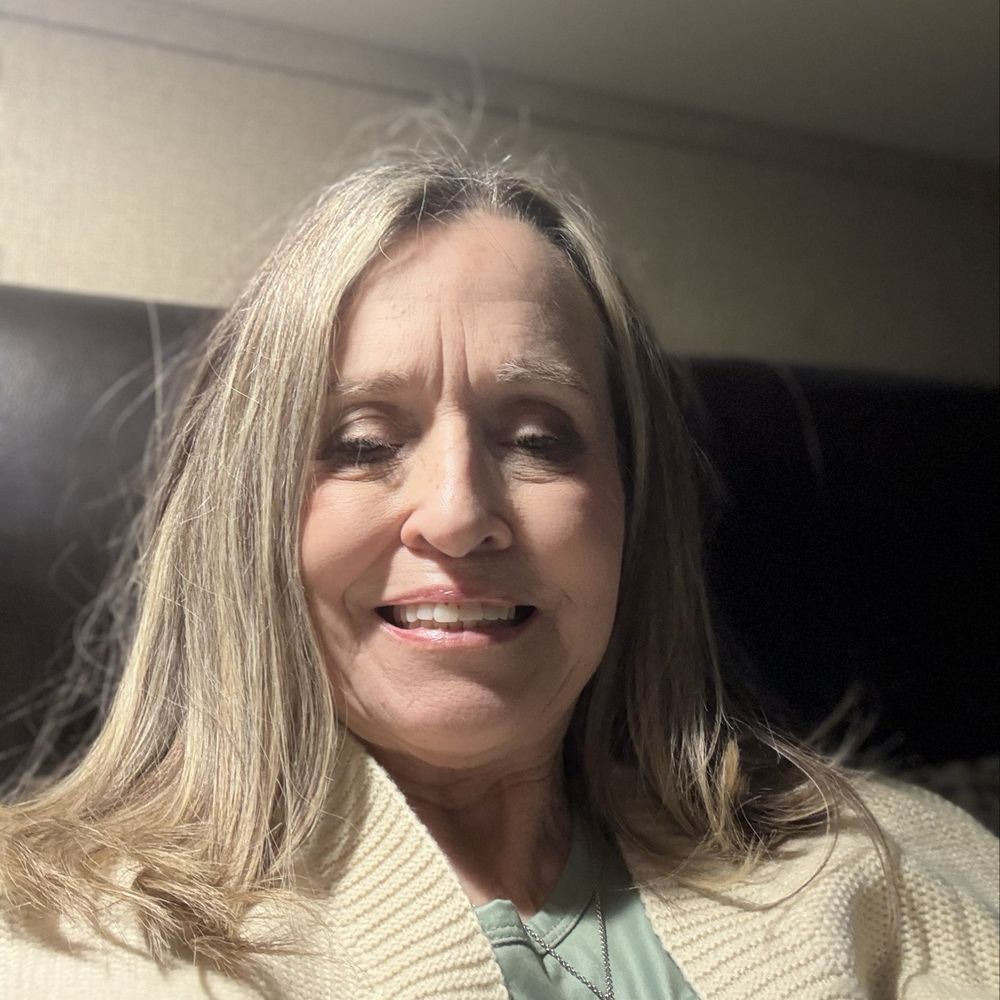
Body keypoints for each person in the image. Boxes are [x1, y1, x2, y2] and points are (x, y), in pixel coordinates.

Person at [1, 155, 997, 1000]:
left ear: (632, 512)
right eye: (361, 442)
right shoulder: (55, 947)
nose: (457, 512)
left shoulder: (901, 866)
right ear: (248, 519)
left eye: (537, 438)